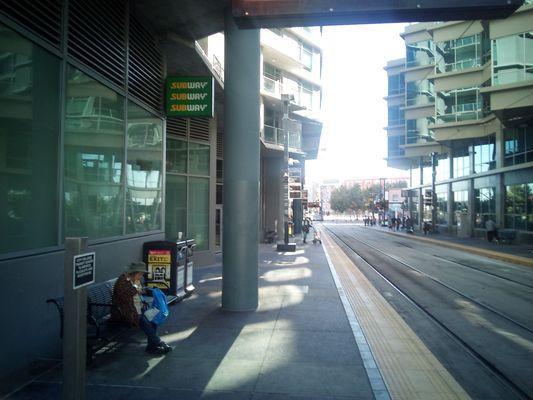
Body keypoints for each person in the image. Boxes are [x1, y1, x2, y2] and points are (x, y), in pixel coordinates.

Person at [112, 262, 171, 355]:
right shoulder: (123, 281)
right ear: (133, 272)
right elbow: (125, 296)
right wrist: (137, 289)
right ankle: (158, 342)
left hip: (139, 308)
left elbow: (139, 292)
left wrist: (142, 289)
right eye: (139, 274)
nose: (141, 276)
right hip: (126, 311)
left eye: (142, 274)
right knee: (144, 322)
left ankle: (151, 347)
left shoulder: (135, 280)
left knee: (153, 320)